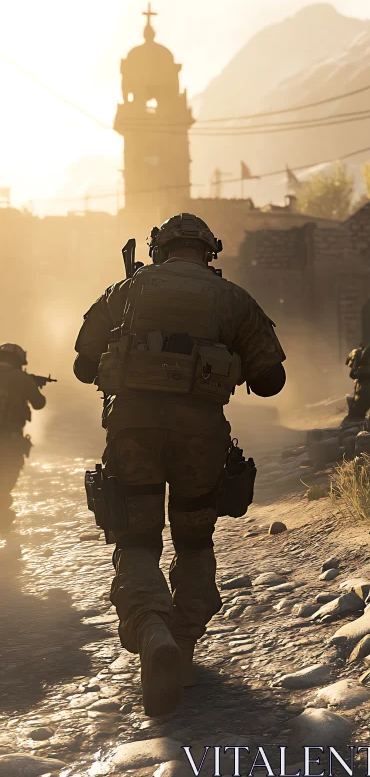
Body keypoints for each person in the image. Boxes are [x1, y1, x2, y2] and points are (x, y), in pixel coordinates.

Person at [73, 212, 286, 716]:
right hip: (201, 436)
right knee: (194, 540)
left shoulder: (125, 291)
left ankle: (152, 631)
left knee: (137, 538)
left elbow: (83, 364)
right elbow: (271, 379)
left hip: (132, 430)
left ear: (159, 248)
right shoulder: (233, 298)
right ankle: (183, 645)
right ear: (208, 250)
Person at [0, 343, 46, 529]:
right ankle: (3, 522)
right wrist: (31, 385)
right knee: (5, 481)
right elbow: (39, 403)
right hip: (9, 441)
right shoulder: (20, 378)